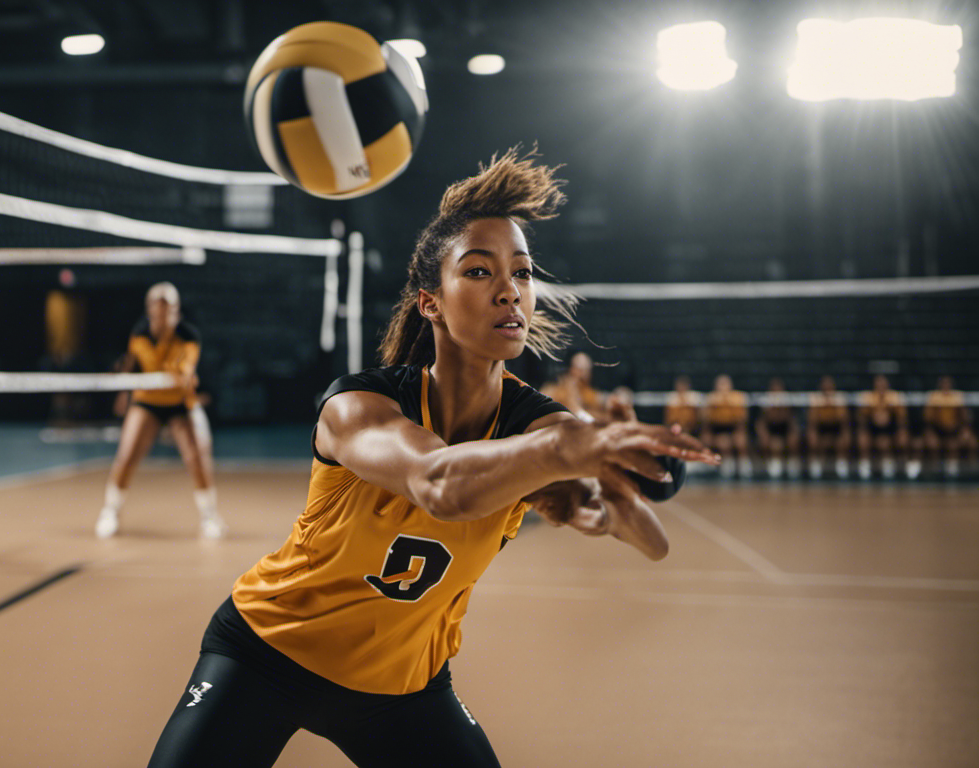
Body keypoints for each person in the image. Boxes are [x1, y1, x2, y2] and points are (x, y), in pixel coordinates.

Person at [146, 151, 718, 768]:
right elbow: (440, 483)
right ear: (431, 302)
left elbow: (651, 542)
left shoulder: (537, 425)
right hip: (268, 654)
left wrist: (612, 495)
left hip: (403, 690)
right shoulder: (359, 404)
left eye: (522, 274)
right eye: (479, 272)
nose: (510, 290)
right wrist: (571, 447)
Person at [95, 282, 224, 539]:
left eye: (170, 308)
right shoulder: (139, 333)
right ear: (150, 309)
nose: (165, 313)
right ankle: (111, 511)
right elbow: (133, 366)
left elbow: (188, 366)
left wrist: (185, 375)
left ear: (176, 310)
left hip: (179, 402)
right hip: (147, 401)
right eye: (159, 307)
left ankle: (209, 515)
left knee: (196, 457)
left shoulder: (188, 335)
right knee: (127, 454)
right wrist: (124, 391)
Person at [856, 374, 908, 479]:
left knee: (895, 440)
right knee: (863, 438)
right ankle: (864, 467)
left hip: (890, 428)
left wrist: (901, 430)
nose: (880, 387)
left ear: (887, 385)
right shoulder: (868, 397)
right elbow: (861, 418)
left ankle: (892, 467)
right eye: (878, 384)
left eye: (883, 384)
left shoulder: (894, 397)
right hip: (872, 428)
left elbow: (902, 418)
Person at [922, 375, 975, 478]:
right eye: (943, 383)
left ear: (951, 385)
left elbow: (965, 417)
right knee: (933, 444)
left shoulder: (958, 396)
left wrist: (965, 429)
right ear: (939, 385)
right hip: (937, 429)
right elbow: (927, 419)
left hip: (955, 430)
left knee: (966, 443)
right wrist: (930, 432)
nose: (945, 386)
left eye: (948, 383)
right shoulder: (934, 397)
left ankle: (964, 472)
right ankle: (935, 471)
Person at [703, 374, 750, 478]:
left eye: (725, 384)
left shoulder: (738, 397)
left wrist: (729, 403)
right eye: (720, 385)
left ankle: (743, 466)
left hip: (733, 428)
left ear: (731, 385)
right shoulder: (711, 398)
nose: (723, 388)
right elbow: (705, 419)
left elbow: (742, 419)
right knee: (723, 443)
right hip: (718, 428)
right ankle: (726, 465)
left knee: (741, 440)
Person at [806, 374, 852, 479]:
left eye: (829, 386)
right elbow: (812, 420)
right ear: (821, 387)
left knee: (845, 435)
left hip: (836, 428)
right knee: (812, 435)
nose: (827, 389)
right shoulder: (816, 398)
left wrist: (832, 405)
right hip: (821, 427)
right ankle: (816, 464)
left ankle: (841, 464)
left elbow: (843, 419)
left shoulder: (839, 398)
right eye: (825, 386)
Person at [754, 377, 800, 479]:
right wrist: (764, 434)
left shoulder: (788, 401)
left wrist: (793, 433)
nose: (777, 392)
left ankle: (792, 463)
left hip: (784, 429)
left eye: (779, 389)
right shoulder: (765, 402)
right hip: (771, 430)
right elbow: (760, 422)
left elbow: (792, 421)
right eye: (774, 390)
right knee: (771, 443)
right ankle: (771, 463)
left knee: (793, 439)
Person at [541, 350, 606, 422]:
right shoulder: (559, 388)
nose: (584, 374)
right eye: (580, 370)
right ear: (572, 369)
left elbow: (597, 400)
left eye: (587, 370)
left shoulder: (587, 391)